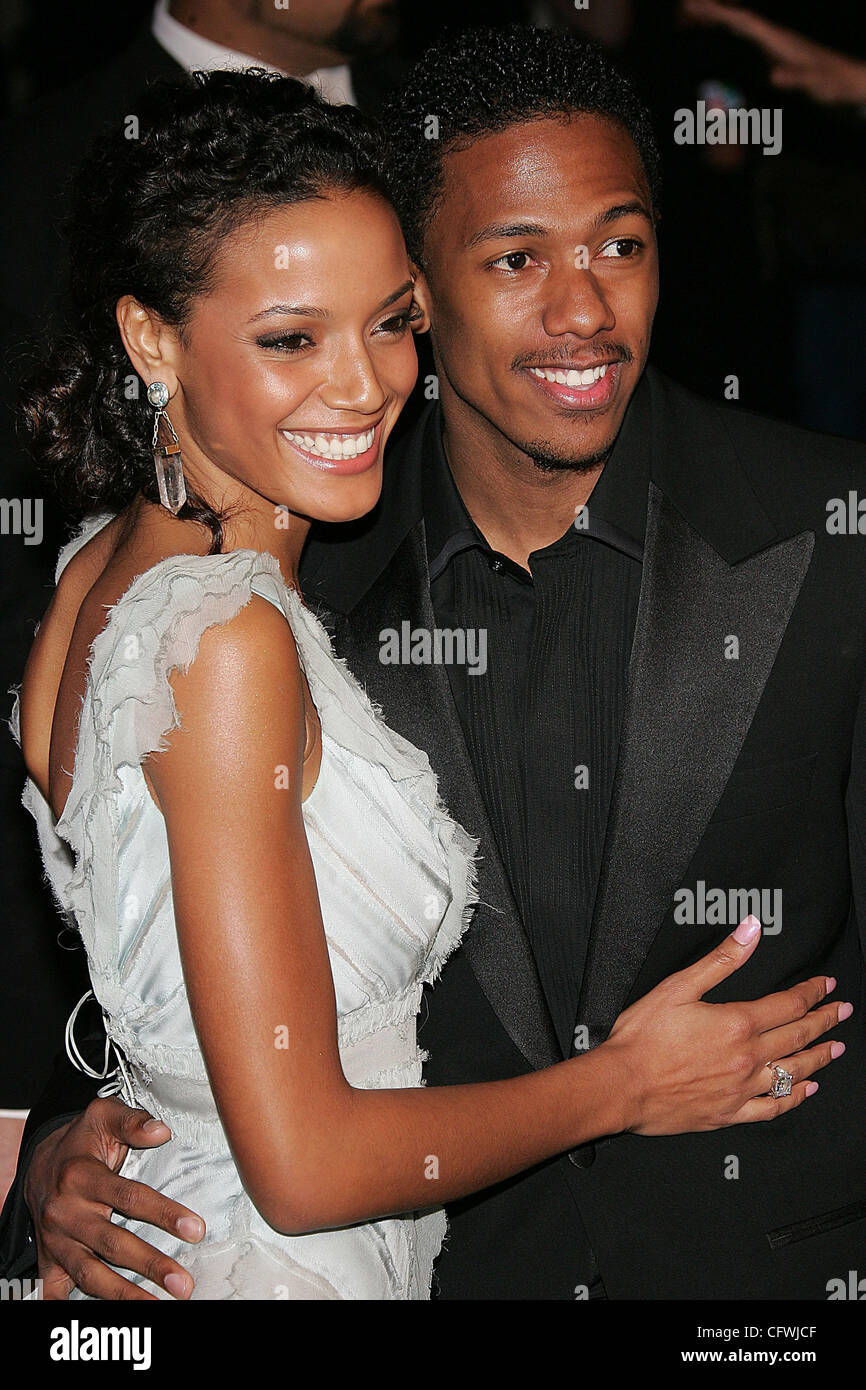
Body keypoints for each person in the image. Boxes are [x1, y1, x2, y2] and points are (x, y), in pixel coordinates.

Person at [1, 37, 859, 1300]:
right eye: (513, 259)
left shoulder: (825, 530)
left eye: (618, 245)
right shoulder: (270, 602)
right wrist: (45, 1147)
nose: (581, 309)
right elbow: (112, 973)